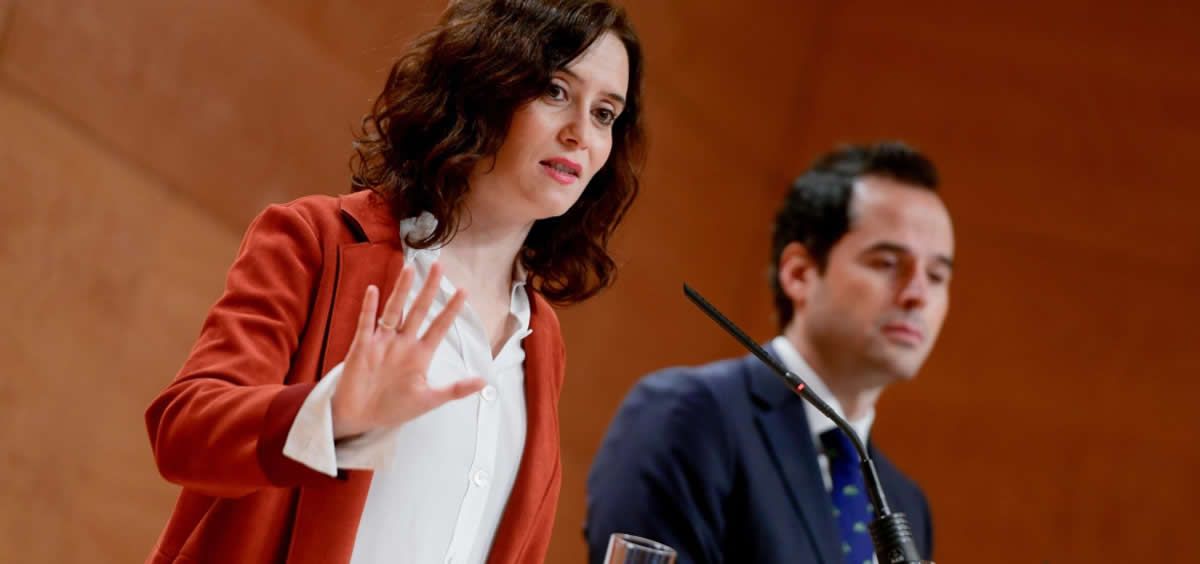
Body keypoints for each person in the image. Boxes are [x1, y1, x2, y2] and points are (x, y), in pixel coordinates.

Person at [144, 1, 644, 562]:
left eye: (605, 114)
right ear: (484, 84)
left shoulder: (540, 337)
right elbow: (184, 432)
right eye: (555, 91)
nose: (581, 133)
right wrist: (333, 417)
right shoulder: (316, 241)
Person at [585, 142, 952, 564]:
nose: (918, 295)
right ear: (799, 273)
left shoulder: (906, 504)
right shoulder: (688, 415)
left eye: (936, 275)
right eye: (887, 263)